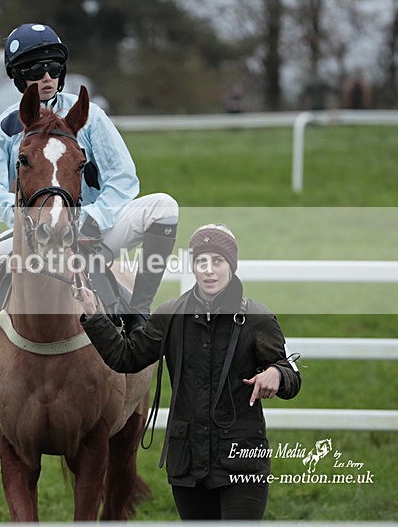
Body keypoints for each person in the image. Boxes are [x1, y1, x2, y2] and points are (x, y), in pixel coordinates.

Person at [0, 23, 179, 371]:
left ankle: (138, 311)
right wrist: (26, 219)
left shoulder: (90, 117)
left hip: (93, 230)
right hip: (35, 234)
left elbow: (123, 179)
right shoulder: (3, 129)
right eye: (35, 70)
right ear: (17, 77)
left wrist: (91, 219)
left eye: (54, 68)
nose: (46, 76)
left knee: (164, 207)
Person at [75, 223, 302, 520]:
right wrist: (95, 317)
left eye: (217, 262)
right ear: (192, 267)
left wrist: (276, 373)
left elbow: (291, 375)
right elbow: (126, 357)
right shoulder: (170, 315)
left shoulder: (257, 319)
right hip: (188, 463)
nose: (209, 270)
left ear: (231, 266)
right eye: (201, 262)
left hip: (243, 460)